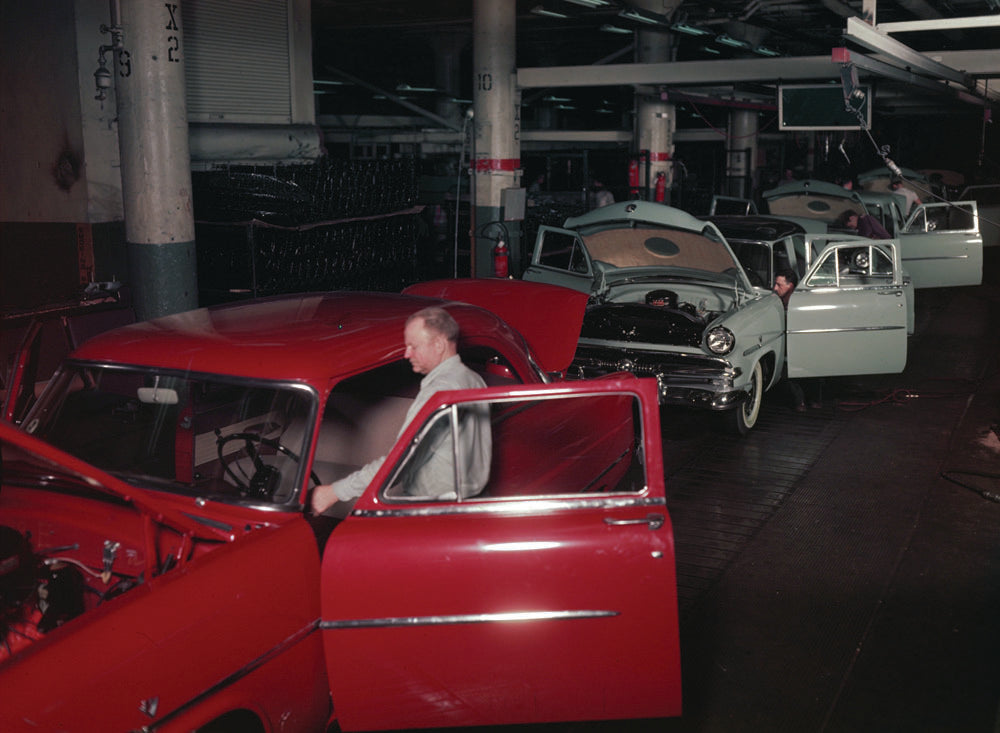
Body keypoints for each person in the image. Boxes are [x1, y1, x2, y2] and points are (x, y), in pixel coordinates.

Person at [310, 306, 491, 514]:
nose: (407, 354)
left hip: (434, 510)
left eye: (414, 346)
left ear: (439, 345)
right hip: (468, 503)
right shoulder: (472, 378)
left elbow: (400, 460)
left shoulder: (439, 391)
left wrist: (333, 492)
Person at [773, 268, 823, 411]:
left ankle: (814, 400)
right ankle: (799, 402)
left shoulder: (802, 303)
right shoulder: (777, 302)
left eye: (779, 285)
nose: (774, 288)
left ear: (790, 287)